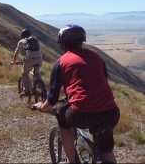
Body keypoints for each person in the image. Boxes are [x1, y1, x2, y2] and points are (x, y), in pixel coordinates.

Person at [32, 24, 120, 163]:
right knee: (106, 150)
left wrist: (41, 107)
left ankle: (72, 161)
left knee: (63, 118)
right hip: (111, 112)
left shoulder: (61, 62)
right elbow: (103, 80)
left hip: (82, 114)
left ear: (63, 44)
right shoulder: (97, 57)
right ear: (82, 41)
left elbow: (53, 99)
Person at [11, 28, 44, 96]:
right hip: (40, 57)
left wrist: (14, 61)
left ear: (22, 35)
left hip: (30, 58)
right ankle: (39, 87)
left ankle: (27, 91)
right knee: (36, 72)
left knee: (25, 73)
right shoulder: (35, 39)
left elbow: (16, 53)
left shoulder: (22, 41)